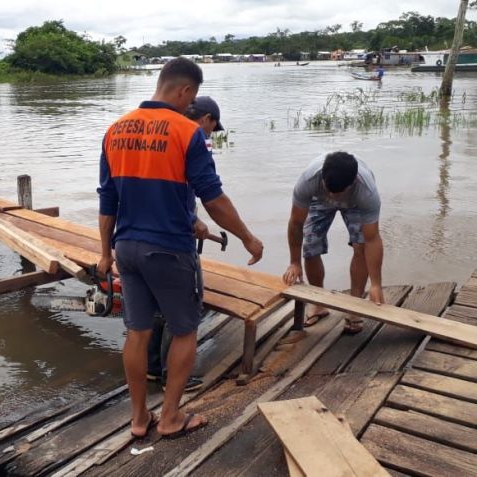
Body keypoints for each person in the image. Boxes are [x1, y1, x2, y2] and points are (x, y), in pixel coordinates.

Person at [98, 57, 263, 439]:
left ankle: (139, 418)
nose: (191, 105)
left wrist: (105, 253)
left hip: (126, 248)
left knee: (137, 332)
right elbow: (213, 198)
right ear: (185, 90)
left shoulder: (115, 130)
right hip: (169, 250)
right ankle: (170, 417)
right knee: (185, 330)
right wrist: (247, 237)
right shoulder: (187, 133)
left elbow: (107, 200)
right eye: (191, 97)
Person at [146, 95, 226, 393]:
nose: (211, 133)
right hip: (174, 241)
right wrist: (193, 220)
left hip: (141, 237)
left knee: (155, 306)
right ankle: (173, 376)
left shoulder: (159, 133)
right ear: (206, 119)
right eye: (213, 127)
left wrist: (192, 218)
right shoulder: (195, 138)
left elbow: (160, 187)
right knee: (183, 310)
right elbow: (207, 194)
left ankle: (152, 368)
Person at [282, 152, 383, 333]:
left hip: (354, 203)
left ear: (353, 182)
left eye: (337, 194)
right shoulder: (308, 181)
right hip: (318, 200)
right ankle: (318, 303)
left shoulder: (366, 191)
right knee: (311, 245)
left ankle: (355, 306)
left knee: (360, 245)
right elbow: (296, 223)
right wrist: (294, 262)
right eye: (329, 190)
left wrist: (376, 284)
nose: (333, 196)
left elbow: (372, 238)